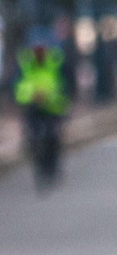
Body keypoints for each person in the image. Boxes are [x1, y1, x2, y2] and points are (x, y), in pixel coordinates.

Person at [14, 33, 68, 189]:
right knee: (33, 138)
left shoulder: (56, 61)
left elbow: (65, 82)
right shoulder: (25, 62)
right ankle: (39, 168)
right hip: (31, 104)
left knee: (53, 137)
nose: (39, 51)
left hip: (53, 105)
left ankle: (52, 167)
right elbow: (16, 83)